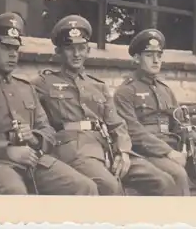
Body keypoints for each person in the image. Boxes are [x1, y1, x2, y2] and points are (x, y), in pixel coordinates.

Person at [0, 12, 98, 196]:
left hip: (31, 160)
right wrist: (6, 150)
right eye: (5, 47)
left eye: (16, 49)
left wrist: (34, 138)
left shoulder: (26, 88)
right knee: (14, 192)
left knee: (84, 187)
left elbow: (47, 130)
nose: (12, 54)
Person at [32, 15, 180, 196]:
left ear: (88, 51)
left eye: (81, 48)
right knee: (109, 186)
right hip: (76, 151)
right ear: (59, 52)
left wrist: (123, 152)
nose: (77, 54)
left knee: (162, 181)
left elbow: (117, 124)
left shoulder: (98, 86)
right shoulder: (43, 84)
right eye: (70, 48)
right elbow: (36, 122)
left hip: (107, 147)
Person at [113, 28, 196, 196]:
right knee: (178, 174)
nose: (156, 60)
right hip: (149, 154)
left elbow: (181, 123)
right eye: (149, 55)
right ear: (136, 59)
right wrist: (168, 152)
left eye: (159, 55)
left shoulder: (165, 90)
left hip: (176, 151)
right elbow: (134, 131)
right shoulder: (125, 92)